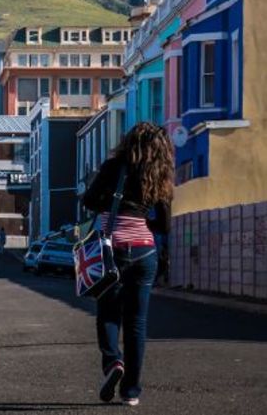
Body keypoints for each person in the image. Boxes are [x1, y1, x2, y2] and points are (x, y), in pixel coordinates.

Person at [81, 122, 173, 407]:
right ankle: (131, 392)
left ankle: (113, 363)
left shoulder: (114, 166)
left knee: (108, 313)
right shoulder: (160, 174)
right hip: (145, 252)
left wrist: (110, 204)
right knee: (137, 323)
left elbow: (88, 200)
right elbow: (165, 224)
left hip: (112, 249)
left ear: (128, 141)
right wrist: (142, 219)